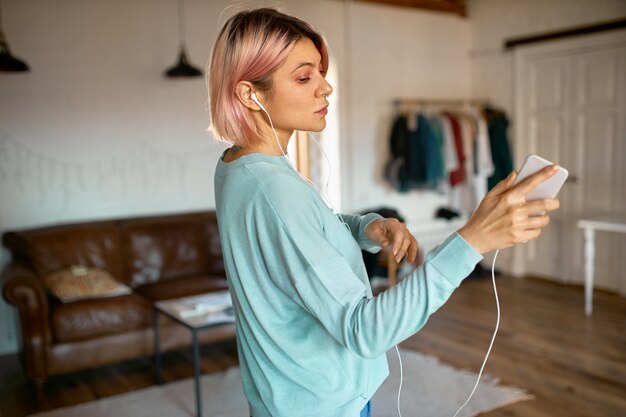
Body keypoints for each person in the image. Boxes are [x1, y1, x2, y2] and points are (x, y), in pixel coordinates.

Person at [208, 8, 560, 417]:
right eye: (305, 78)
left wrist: (367, 227)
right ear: (250, 94)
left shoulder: (238, 166)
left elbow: (299, 232)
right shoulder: (272, 189)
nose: (326, 89)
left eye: (321, 73)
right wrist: (472, 241)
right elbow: (364, 330)